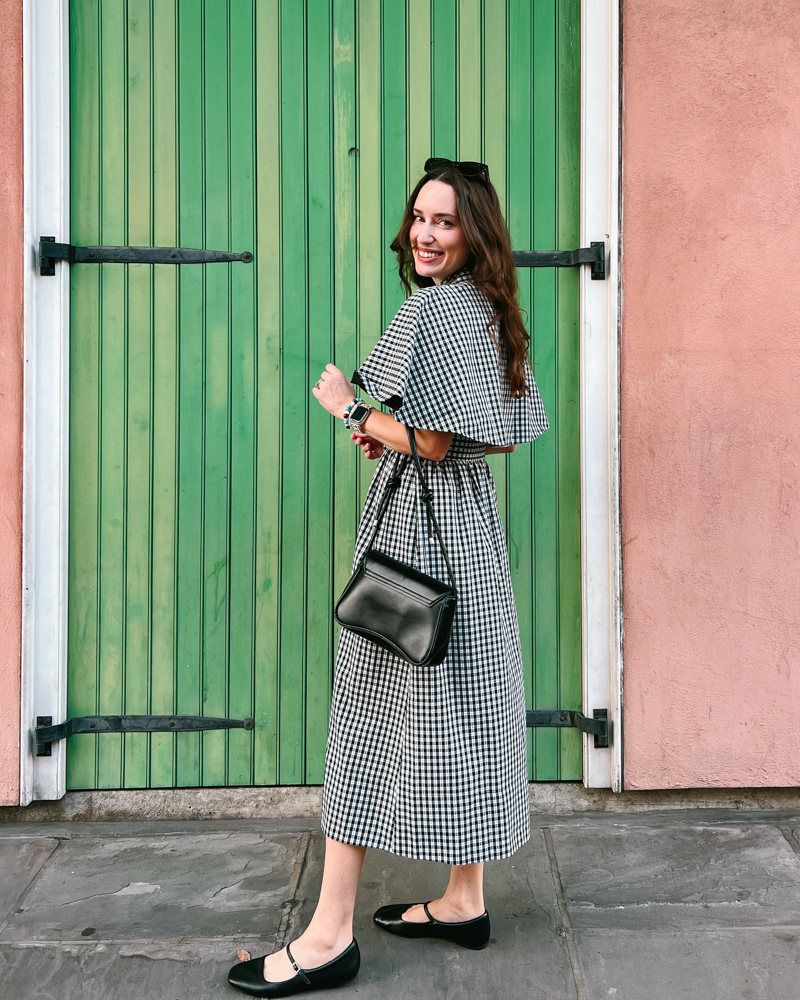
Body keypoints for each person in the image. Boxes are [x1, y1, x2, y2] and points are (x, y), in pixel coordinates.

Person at [228, 158, 549, 998]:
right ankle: (464, 898)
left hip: (418, 537)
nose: (425, 235)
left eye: (445, 221)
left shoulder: (432, 309)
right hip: (470, 538)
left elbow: (434, 442)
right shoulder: (491, 308)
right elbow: (494, 436)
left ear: (474, 231)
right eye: (419, 218)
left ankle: (328, 936)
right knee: (470, 706)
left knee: (367, 720)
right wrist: (392, 428)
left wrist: (349, 406)